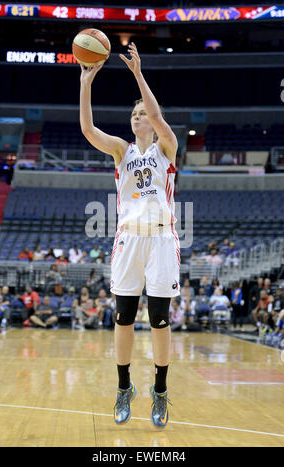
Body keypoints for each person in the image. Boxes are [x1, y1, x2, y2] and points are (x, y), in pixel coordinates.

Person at [80, 42, 180, 428]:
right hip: (128, 239)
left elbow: (158, 115)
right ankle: (124, 388)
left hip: (160, 240)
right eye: (136, 114)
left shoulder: (165, 148)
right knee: (123, 316)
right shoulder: (121, 151)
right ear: (131, 123)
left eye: (146, 113)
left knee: (158, 319)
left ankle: (160, 390)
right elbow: (88, 129)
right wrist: (87, 82)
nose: (143, 116)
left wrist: (138, 74)